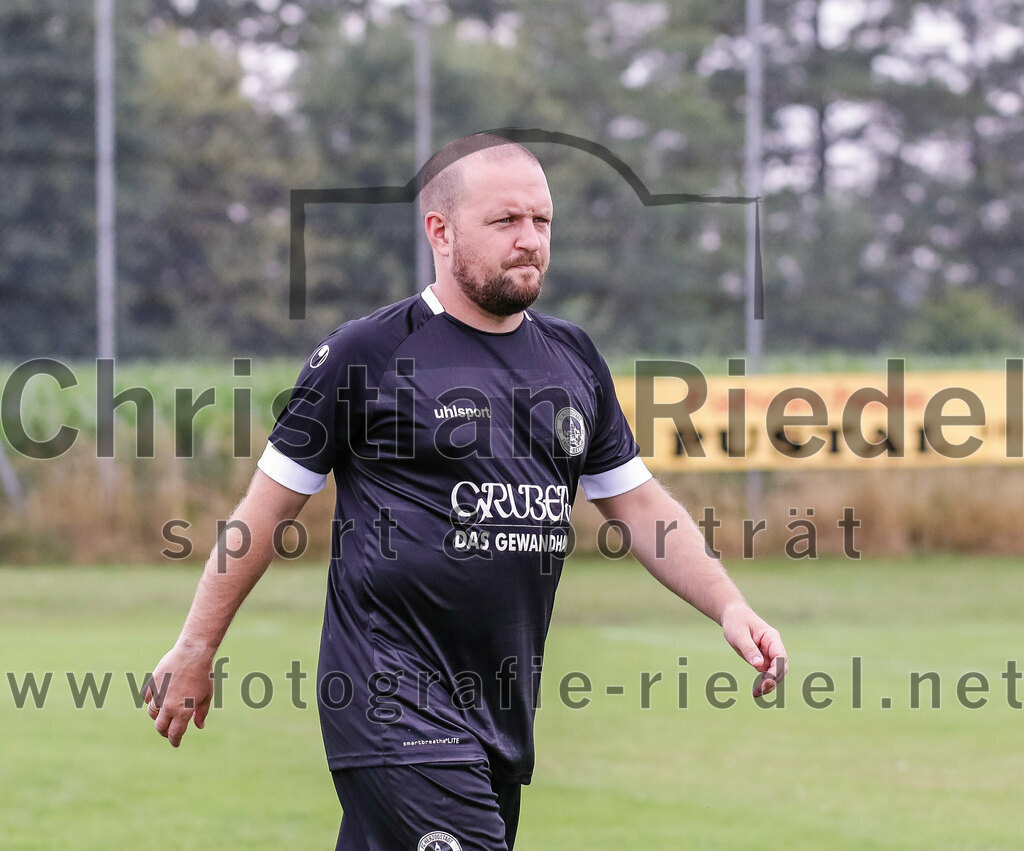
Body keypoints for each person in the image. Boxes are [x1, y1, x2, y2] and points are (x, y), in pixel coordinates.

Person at [144, 133, 788, 850]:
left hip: (499, 710)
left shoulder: (573, 358)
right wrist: (196, 647)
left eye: (541, 220)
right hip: (389, 699)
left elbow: (640, 506)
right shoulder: (368, 354)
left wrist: (729, 604)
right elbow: (263, 515)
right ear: (441, 232)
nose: (530, 239)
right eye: (505, 220)